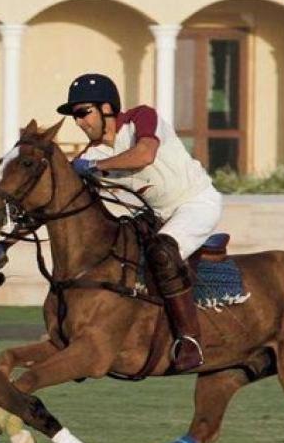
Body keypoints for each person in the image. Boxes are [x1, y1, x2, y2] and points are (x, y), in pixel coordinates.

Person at [57, 72, 221, 371]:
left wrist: (93, 166)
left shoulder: (141, 118)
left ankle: (190, 341)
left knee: (162, 253)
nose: (79, 122)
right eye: (74, 117)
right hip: (156, 215)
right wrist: (4, 245)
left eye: (83, 113)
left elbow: (144, 155)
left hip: (196, 203)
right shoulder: (91, 152)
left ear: (107, 108)